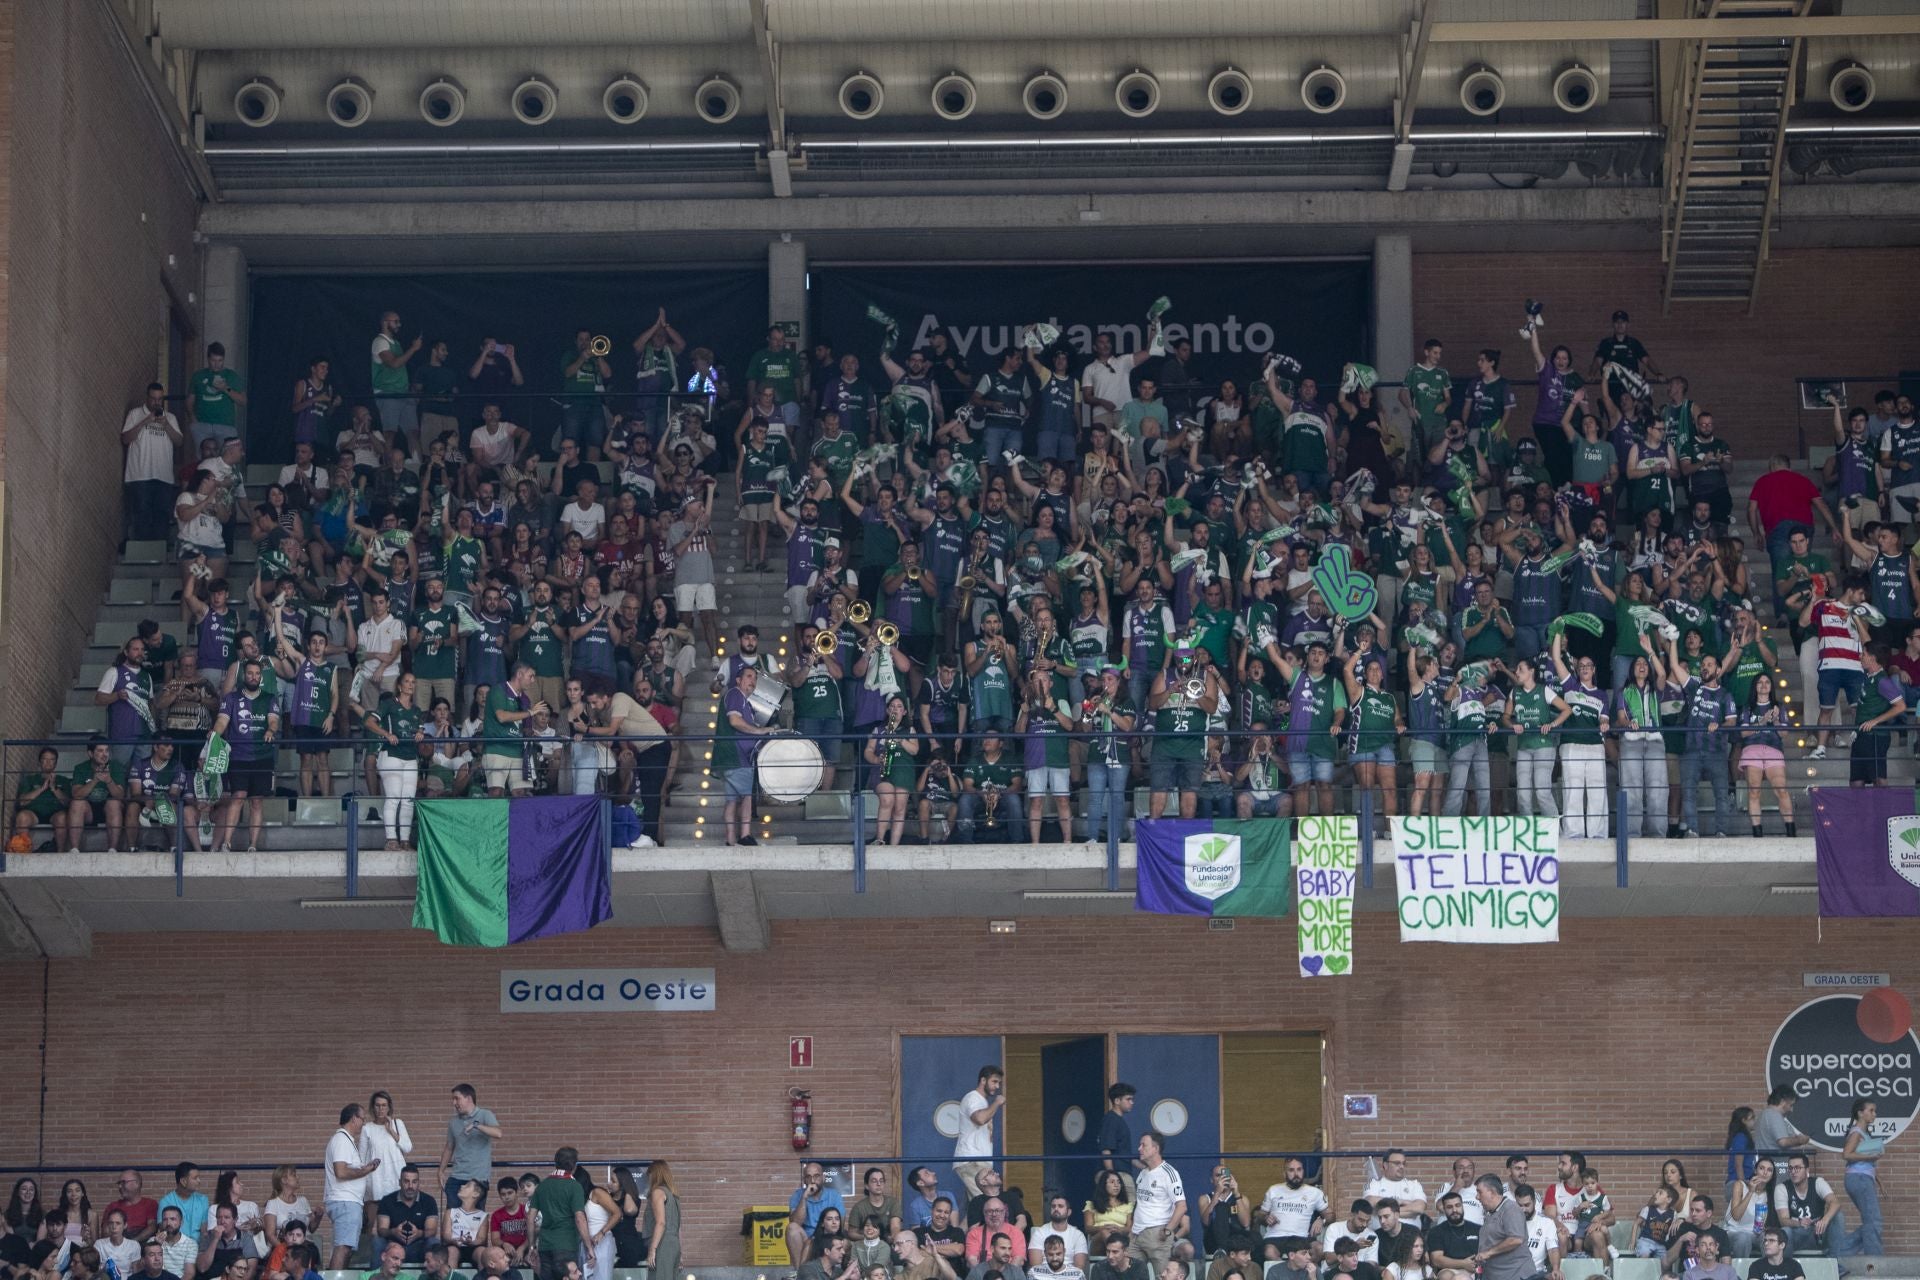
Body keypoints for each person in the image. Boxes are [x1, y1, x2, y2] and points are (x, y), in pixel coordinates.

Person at [124, 382, 187, 542]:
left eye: (160, 399)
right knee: (141, 515)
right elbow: (126, 438)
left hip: (163, 476)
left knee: (162, 515)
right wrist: (145, 421)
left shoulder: (170, 417)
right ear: (147, 398)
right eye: (153, 399)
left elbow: (179, 442)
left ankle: (159, 552)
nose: (156, 403)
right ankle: (142, 554)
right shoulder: (135, 413)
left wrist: (166, 426)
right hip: (140, 475)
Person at [324, 1105, 381, 1269]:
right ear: (354, 1118)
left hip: (348, 1201)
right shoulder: (341, 1140)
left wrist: (365, 1168)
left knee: (346, 1248)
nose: (364, 1123)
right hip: (345, 1201)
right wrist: (366, 1170)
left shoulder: (345, 1140)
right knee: (343, 1247)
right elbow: (341, 1172)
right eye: (363, 1118)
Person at [438, 1085, 502, 1212]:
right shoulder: (453, 1122)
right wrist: (441, 1170)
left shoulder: (485, 1114)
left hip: (478, 1179)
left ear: (468, 1098)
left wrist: (476, 1125)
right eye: (453, 1099)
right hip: (456, 1178)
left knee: (476, 1220)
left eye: (457, 1099)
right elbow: (449, 1147)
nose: (454, 1103)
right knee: (453, 1220)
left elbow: (498, 1133)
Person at [528, 1150, 590, 1280]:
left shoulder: (542, 1186)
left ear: (555, 1163)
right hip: (566, 1244)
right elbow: (580, 1219)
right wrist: (589, 1247)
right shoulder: (574, 1186)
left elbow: (530, 1219)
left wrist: (532, 1246)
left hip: (545, 1245)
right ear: (574, 1165)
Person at [1127, 1134, 1186, 1270]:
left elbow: (1181, 1206)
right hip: (1136, 1234)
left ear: (1155, 1148)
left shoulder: (1169, 1173)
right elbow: (1140, 1203)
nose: (1139, 1148)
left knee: (1164, 1277)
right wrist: (1131, 1230)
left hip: (1157, 1233)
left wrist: (1167, 1230)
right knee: (1132, 1276)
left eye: (1143, 1145)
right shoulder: (1143, 1173)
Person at [953, 1065, 1006, 1197]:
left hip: (978, 1160)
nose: (997, 1086)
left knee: (975, 1207)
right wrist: (997, 1102)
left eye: (999, 1083)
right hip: (972, 1160)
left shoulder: (982, 1101)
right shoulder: (973, 1097)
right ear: (983, 1080)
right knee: (986, 1201)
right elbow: (980, 1119)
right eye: (994, 1081)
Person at [1257, 1162, 1327, 1260]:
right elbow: (1259, 1215)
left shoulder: (1315, 1192)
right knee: (1269, 1252)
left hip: (1302, 1237)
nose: (1296, 1174)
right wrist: (1265, 1217)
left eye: (1299, 1169)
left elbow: (1331, 1215)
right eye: (1291, 1170)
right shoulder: (1273, 1190)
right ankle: (1286, 1272)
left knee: (1320, 1249)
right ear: (1284, 1173)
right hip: (1276, 1237)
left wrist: (1321, 1219)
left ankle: (1306, 1272)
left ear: (1303, 1171)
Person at [1841, 1098, 1883, 1258]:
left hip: (1862, 1178)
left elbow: (1866, 1161)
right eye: (1871, 1110)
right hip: (1858, 1179)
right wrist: (1870, 1156)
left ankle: (1841, 1252)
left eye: (1875, 1111)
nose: (1874, 1114)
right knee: (1874, 1221)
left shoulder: (1863, 1133)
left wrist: (1879, 1182)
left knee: (1871, 1221)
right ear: (1860, 1113)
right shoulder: (1856, 1132)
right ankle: (1875, 1261)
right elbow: (1846, 1154)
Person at [373, 1167, 437, 1265]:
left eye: (414, 1182)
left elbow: (432, 1230)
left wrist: (419, 1234)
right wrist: (393, 1232)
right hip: (393, 1247)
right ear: (400, 1182)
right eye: (406, 1181)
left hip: (418, 1247)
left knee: (433, 1242)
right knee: (378, 1242)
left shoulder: (429, 1201)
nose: (410, 1186)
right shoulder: (387, 1200)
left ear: (418, 1183)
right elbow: (381, 1230)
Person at [1471, 1178, 1529, 1280]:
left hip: (1514, 1274)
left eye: (1479, 1192)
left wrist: (1488, 1253)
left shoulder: (1511, 1209)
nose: (1477, 1197)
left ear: (1492, 1192)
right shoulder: (1491, 1213)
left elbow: (1516, 1239)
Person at [788, 1165, 845, 1267]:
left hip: (827, 1237)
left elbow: (840, 1224)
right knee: (792, 1228)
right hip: (806, 1238)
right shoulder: (798, 1195)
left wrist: (822, 1237)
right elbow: (795, 1222)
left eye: (816, 1176)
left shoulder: (834, 1195)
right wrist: (804, 1197)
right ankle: (799, 1273)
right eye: (808, 1177)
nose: (813, 1180)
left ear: (823, 1177)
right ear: (804, 1180)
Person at [640, 1162, 680, 1280]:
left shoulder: (657, 1192)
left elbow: (660, 1222)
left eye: (649, 1175)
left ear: (654, 1174)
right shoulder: (674, 1196)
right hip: (674, 1243)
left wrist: (652, 1249)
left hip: (661, 1244)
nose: (648, 1179)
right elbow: (679, 1228)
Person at [1030, 1195, 1090, 1271]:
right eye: (1053, 1206)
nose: (1056, 1209)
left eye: (1060, 1206)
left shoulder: (1078, 1235)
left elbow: (1079, 1267)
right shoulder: (1039, 1233)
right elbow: (1035, 1267)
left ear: (1069, 1212)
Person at [1097, 1084, 1137, 1175]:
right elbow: (1106, 1150)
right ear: (1117, 1101)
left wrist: (1145, 1166)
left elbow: (1125, 1154)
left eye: (1132, 1099)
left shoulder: (1117, 1120)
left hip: (1122, 1172)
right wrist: (1111, 1174)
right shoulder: (1111, 1120)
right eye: (1128, 1099)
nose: (1132, 1102)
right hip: (1118, 1174)